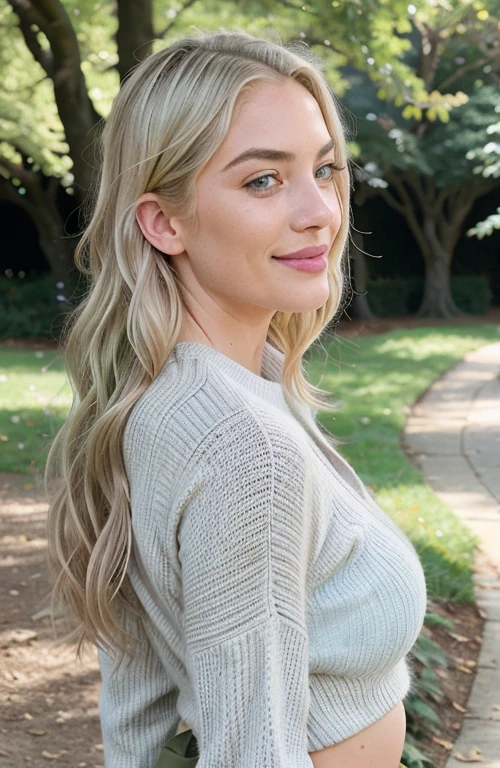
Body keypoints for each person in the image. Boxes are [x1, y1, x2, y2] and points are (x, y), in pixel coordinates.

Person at [45, 28, 427, 768]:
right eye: (263, 180)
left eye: (324, 169)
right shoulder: (245, 449)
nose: (320, 210)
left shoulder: (170, 395)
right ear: (164, 222)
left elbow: (138, 697)